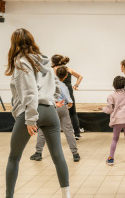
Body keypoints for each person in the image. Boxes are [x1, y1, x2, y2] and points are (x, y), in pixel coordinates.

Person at [5, 28, 70, 198]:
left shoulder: (21, 62)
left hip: (31, 112)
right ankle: (66, 195)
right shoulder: (43, 60)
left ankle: (8, 196)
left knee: (14, 157)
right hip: (50, 111)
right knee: (58, 155)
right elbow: (56, 82)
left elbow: (30, 91)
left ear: (14, 43)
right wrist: (54, 99)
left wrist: (31, 119)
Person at [30, 66, 81, 162]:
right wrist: (67, 106)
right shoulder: (63, 86)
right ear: (66, 76)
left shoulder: (48, 84)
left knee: (42, 130)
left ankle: (38, 153)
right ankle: (75, 154)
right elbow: (70, 102)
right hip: (62, 108)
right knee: (68, 130)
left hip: (49, 108)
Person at [100, 76, 125, 166]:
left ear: (114, 84)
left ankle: (111, 158)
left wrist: (103, 109)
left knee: (115, 139)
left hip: (118, 120)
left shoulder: (111, 96)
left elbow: (110, 110)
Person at [52, 54, 83, 140]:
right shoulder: (68, 69)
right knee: (73, 113)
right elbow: (80, 76)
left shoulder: (55, 69)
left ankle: (54, 133)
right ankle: (77, 133)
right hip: (69, 90)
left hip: (60, 91)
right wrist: (76, 85)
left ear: (54, 61)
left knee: (56, 113)